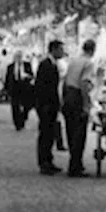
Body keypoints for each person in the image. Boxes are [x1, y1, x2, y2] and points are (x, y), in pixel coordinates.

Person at [61, 39, 98, 178]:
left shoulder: (73, 61)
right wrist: (86, 103)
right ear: (93, 50)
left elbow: (65, 80)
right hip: (77, 97)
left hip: (69, 96)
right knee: (79, 133)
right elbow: (84, 82)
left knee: (70, 132)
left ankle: (74, 162)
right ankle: (75, 166)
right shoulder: (88, 63)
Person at [34, 40, 65, 175]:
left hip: (51, 105)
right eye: (61, 49)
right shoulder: (45, 65)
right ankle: (43, 162)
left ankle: (48, 160)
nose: (63, 52)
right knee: (45, 133)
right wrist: (44, 104)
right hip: (46, 105)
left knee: (50, 133)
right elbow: (42, 87)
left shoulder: (53, 64)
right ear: (54, 50)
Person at [5, 50, 35, 132]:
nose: (18, 58)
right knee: (15, 106)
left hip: (25, 87)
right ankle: (17, 124)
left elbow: (32, 75)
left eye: (19, 56)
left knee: (26, 106)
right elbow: (8, 78)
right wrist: (6, 90)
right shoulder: (10, 66)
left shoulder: (27, 65)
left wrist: (27, 76)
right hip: (14, 88)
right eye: (16, 57)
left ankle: (23, 119)